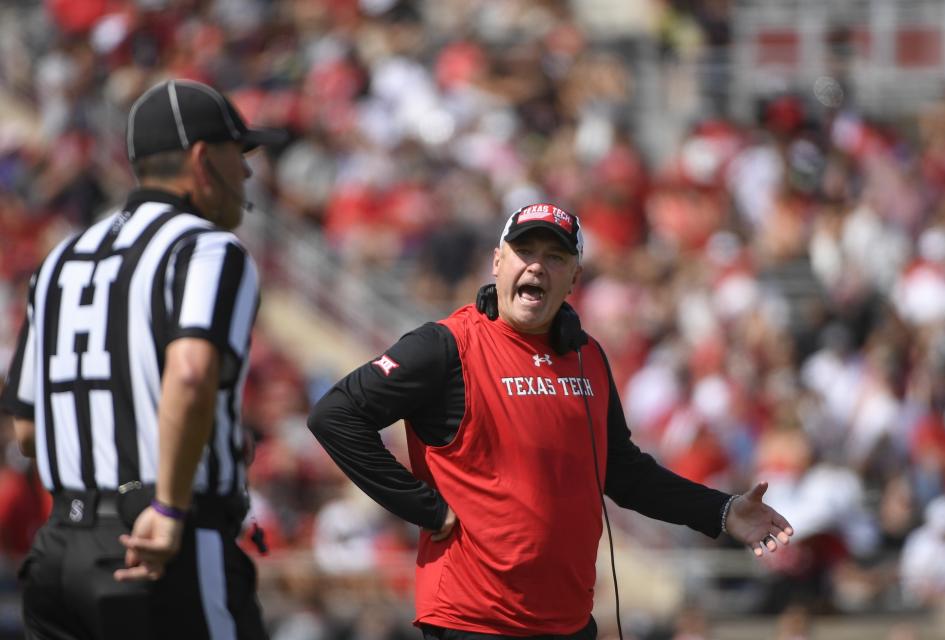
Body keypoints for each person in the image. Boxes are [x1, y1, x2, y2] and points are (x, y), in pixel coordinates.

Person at [307, 203, 795, 638]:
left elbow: (622, 471)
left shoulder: (587, 356)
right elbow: (336, 416)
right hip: (474, 621)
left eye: (555, 257)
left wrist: (722, 511)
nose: (537, 265)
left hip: (568, 623)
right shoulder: (445, 346)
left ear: (573, 279)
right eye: (524, 252)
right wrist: (426, 508)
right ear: (498, 262)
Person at [0, 79, 283, 639]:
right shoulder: (205, 247)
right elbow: (191, 372)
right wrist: (171, 506)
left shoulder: (60, 258)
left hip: (58, 553)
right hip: (156, 544)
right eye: (238, 153)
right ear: (203, 159)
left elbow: (28, 430)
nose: (248, 173)